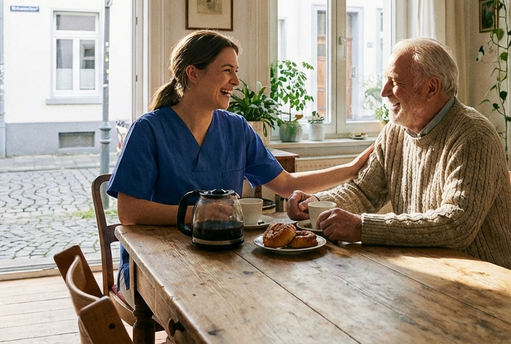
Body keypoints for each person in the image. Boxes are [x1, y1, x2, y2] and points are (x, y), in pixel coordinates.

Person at [107, 30, 372, 292]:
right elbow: (129, 212)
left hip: (224, 258)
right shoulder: (148, 130)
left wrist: (352, 169)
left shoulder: (236, 128)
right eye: (226, 71)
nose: (235, 81)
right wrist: (198, 213)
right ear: (193, 73)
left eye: (235, 71)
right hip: (156, 264)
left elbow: (286, 184)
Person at [286, 37, 511, 273]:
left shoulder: (474, 135)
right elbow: (364, 192)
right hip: (425, 269)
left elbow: (456, 225)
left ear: (431, 88)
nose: (384, 92)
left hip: (487, 277)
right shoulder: (395, 131)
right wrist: (315, 204)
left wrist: (362, 227)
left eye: (395, 82)